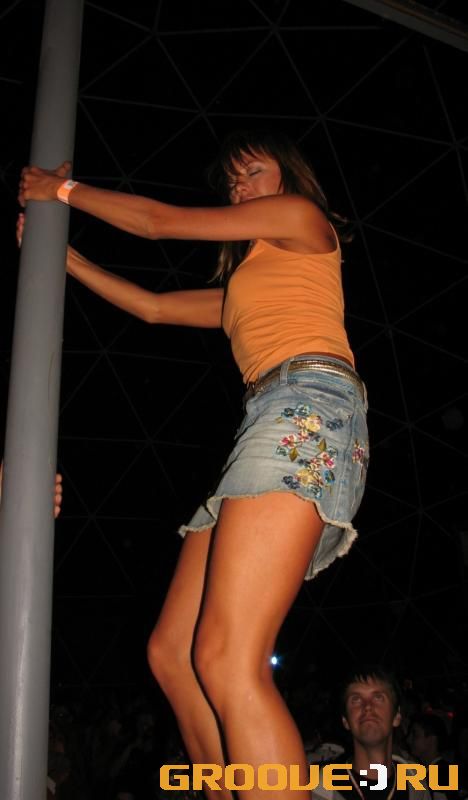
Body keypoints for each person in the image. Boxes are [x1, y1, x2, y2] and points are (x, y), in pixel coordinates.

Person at [19, 130, 369, 800]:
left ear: (289, 177)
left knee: (230, 659)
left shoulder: (303, 221)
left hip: (307, 406)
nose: (240, 187)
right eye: (233, 181)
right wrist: (61, 255)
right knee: (175, 654)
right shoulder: (248, 286)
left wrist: (59, 190)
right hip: (268, 420)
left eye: (253, 171)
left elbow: (160, 223)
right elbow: (153, 308)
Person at [314, 666, 431, 800]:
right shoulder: (319, 792)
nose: (367, 706)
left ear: (397, 716)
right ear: (345, 721)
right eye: (356, 699)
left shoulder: (415, 785)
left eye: (378, 697)